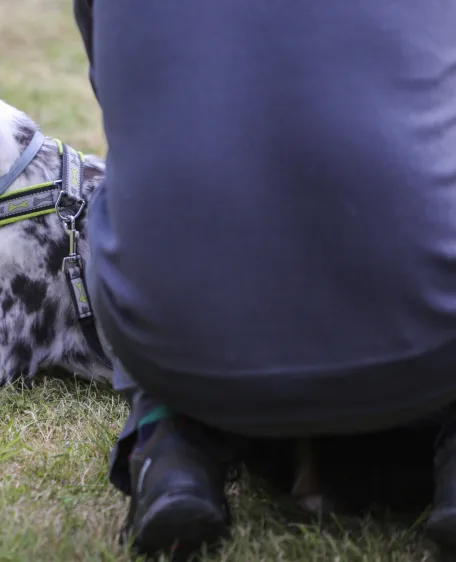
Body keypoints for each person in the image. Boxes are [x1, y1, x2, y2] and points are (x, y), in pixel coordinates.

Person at [73, 0, 456, 559]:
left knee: (142, 182)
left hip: (179, 346)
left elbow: (120, 87)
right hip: (422, 344)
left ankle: (169, 447)